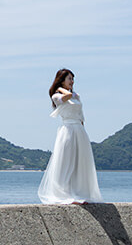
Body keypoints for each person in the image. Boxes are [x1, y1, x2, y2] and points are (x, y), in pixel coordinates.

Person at [37, 68, 103, 204]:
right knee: (66, 161)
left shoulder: (76, 95)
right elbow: (65, 98)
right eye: (69, 79)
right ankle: (64, 193)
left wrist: (83, 130)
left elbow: (81, 115)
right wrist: (61, 89)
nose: (72, 82)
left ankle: (79, 192)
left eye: (73, 79)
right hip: (67, 129)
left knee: (80, 162)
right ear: (62, 81)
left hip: (79, 130)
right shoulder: (57, 96)